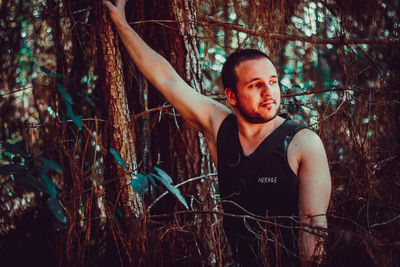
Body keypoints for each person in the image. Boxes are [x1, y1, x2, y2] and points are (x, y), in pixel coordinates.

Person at [103, 0, 332, 266]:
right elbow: (167, 79)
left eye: (272, 82)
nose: (269, 92)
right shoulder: (219, 127)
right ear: (231, 96)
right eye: (256, 85)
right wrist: (121, 24)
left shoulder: (304, 143)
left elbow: (313, 228)